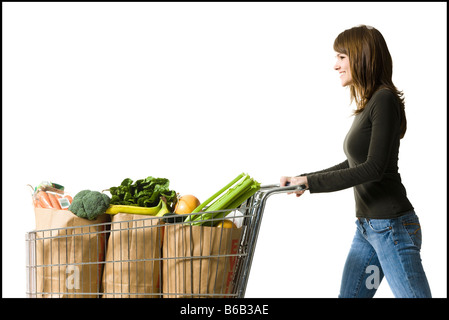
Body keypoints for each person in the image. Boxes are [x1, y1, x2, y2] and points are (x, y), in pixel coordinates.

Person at [280, 25, 432, 298]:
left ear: (361, 57)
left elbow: (373, 169)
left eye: (341, 56)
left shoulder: (384, 100)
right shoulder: (371, 102)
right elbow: (354, 162)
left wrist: (312, 183)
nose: (335, 65)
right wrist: (304, 179)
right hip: (368, 230)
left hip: (392, 229)